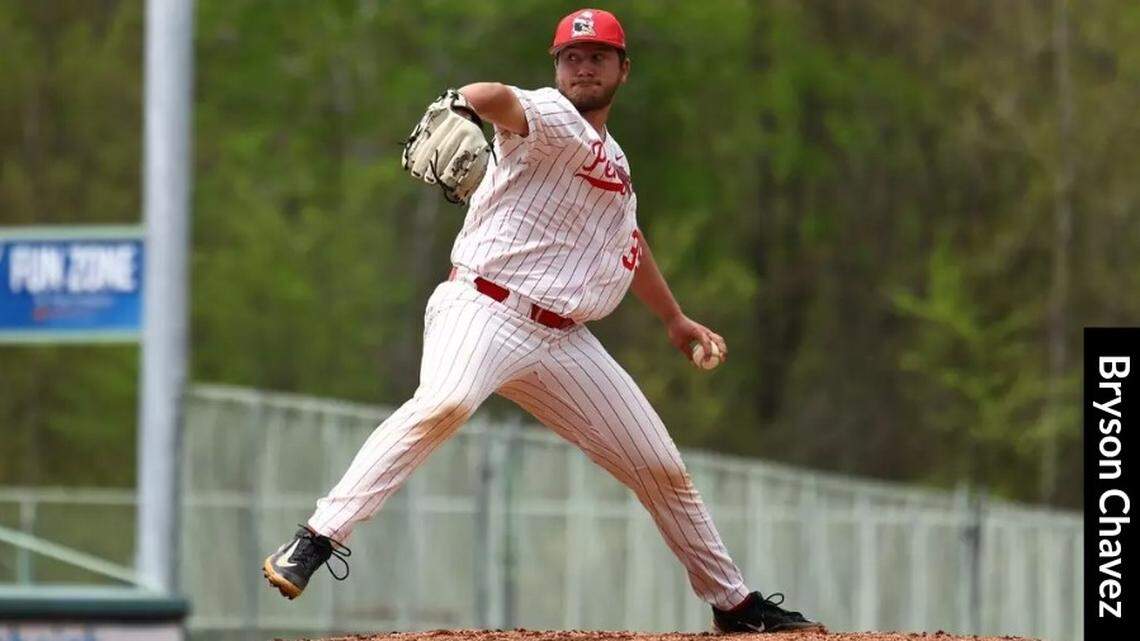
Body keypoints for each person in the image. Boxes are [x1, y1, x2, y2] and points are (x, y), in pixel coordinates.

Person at [262, 8, 824, 634]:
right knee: (445, 402)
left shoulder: (615, 161)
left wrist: (674, 318)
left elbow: (628, 242)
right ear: (557, 69)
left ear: (623, 70)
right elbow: (497, 96)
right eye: (571, 58)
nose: (583, 67)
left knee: (661, 466)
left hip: (562, 340)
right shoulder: (553, 116)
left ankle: (734, 605)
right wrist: (461, 104)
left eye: (598, 57)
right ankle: (315, 539)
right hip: (482, 308)